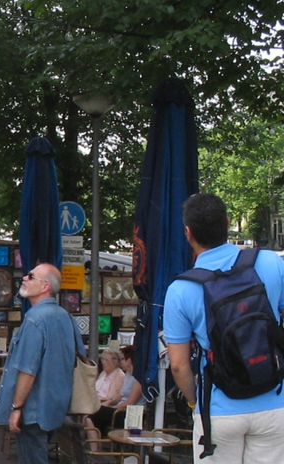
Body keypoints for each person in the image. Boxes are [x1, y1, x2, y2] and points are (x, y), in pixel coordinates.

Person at [164, 193, 284, 464]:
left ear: (188, 232)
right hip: (276, 402)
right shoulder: (271, 263)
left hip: (218, 407)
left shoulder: (181, 289)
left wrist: (195, 402)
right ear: (228, 222)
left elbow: (179, 366)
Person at [0, 264, 79, 464]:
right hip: (55, 406)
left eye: (31, 276)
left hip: (34, 410)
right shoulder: (65, 317)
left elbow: (28, 370)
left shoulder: (34, 319)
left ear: (45, 286)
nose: (24, 279)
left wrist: (16, 407)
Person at [84, 345, 144, 449]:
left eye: (122, 359)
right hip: (121, 409)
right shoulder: (128, 375)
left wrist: (113, 408)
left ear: (129, 360)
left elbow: (131, 401)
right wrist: (109, 402)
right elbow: (120, 394)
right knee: (90, 417)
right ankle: (95, 447)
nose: (121, 362)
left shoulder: (138, 378)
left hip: (130, 414)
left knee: (92, 414)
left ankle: (95, 448)